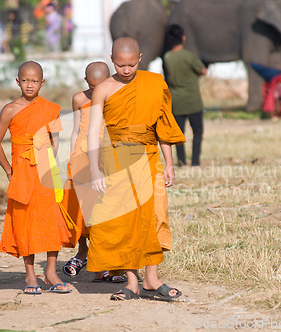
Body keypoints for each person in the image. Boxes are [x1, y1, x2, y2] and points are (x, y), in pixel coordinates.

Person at [87, 37, 185, 301]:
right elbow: (94, 131)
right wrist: (95, 170)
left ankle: (151, 279)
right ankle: (132, 281)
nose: (126, 70)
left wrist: (170, 164)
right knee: (125, 220)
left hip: (150, 156)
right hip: (117, 160)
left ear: (140, 59)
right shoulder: (103, 89)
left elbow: (163, 127)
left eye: (131, 64)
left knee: (154, 216)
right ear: (112, 59)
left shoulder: (155, 83)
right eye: (120, 65)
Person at [0, 61, 73, 294]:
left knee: (51, 219)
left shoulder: (50, 108)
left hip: (46, 170)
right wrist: (9, 170)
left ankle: (51, 272)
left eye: (35, 81)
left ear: (42, 83)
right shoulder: (10, 109)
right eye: (25, 80)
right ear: (17, 82)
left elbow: (55, 138)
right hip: (22, 171)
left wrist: (51, 161)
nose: (30, 85)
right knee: (25, 221)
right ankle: (29, 275)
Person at [61, 61, 126, 283]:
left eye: (103, 85)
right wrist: (71, 155)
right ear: (86, 81)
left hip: (104, 156)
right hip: (81, 157)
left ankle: (102, 261)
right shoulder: (79, 99)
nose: (98, 90)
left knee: (102, 208)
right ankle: (82, 252)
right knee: (80, 208)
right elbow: (76, 129)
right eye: (93, 85)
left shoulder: (115, 97)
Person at [163, 24, 207, 167]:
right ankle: (195, 162)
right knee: (197, 133)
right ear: (183, 38)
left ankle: (181, 162)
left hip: (177, 102)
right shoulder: (189, 56)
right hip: (193, 100)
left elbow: (167, 76)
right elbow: (203, 71)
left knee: (178, 135)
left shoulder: (167, 57)